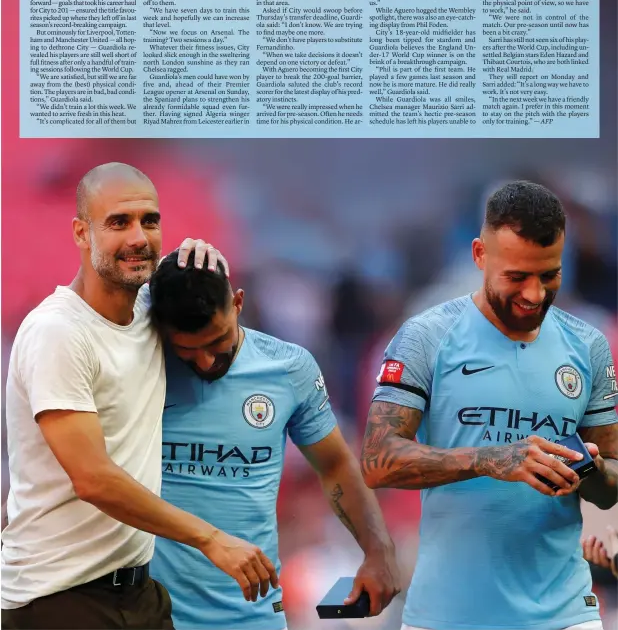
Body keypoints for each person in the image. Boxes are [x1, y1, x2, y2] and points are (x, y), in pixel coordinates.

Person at [1, 162, 278, 630]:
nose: (138, 237)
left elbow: (214, 337)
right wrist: (211, 539)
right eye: (118, 222)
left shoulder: (152, 312)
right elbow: (93, 479)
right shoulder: (58, 332)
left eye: (150, 221)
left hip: (139, 593)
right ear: (81, 233)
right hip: (57, 598)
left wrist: (208, 264)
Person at [360, 180, 618, 630]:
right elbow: (378, 461)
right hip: (446, 614)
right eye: (516, 277)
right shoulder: (427, 336)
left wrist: (590, 472)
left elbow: (613, 478)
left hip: (565, 616)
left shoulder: (589, 345)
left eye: (549, 275)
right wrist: (491, 459)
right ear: (480, 255)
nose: (534, 294)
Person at [147, 250, 401, 630]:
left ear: (238, 304)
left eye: (216, 343)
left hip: (251, 615)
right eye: (187, 349)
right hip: (158, 612)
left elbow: (333, 464)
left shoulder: (288, 370)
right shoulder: (142, 366)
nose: (203, 362)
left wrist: (377, 550)